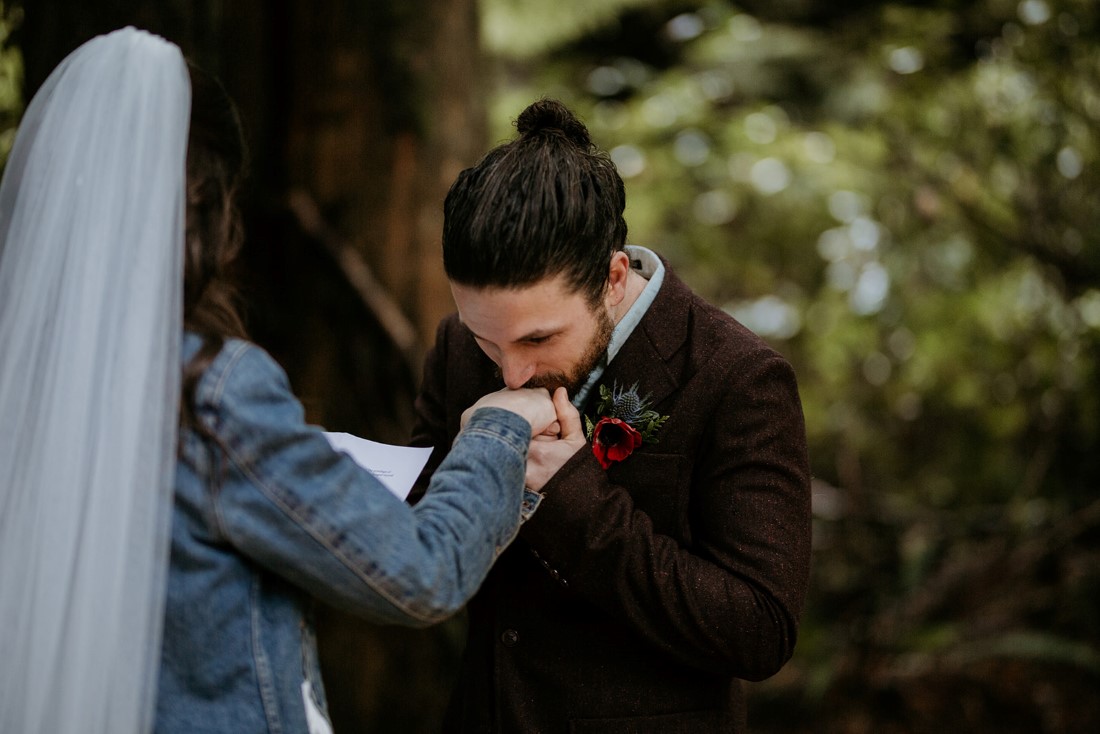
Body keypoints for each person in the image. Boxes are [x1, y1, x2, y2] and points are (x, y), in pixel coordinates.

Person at [0, 28, 558, 734]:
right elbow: (421, 572)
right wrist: (499, 430)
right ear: (206, 208)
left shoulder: (26, 377)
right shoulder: (209, 389)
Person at [410, 98, 812, 733]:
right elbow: (421, 539)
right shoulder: (459, 346)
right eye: (489, 342)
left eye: (538, 340)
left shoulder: (737, 378)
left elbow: (759, 629)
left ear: (613, 277)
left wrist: (573, 499)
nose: (510, 373)